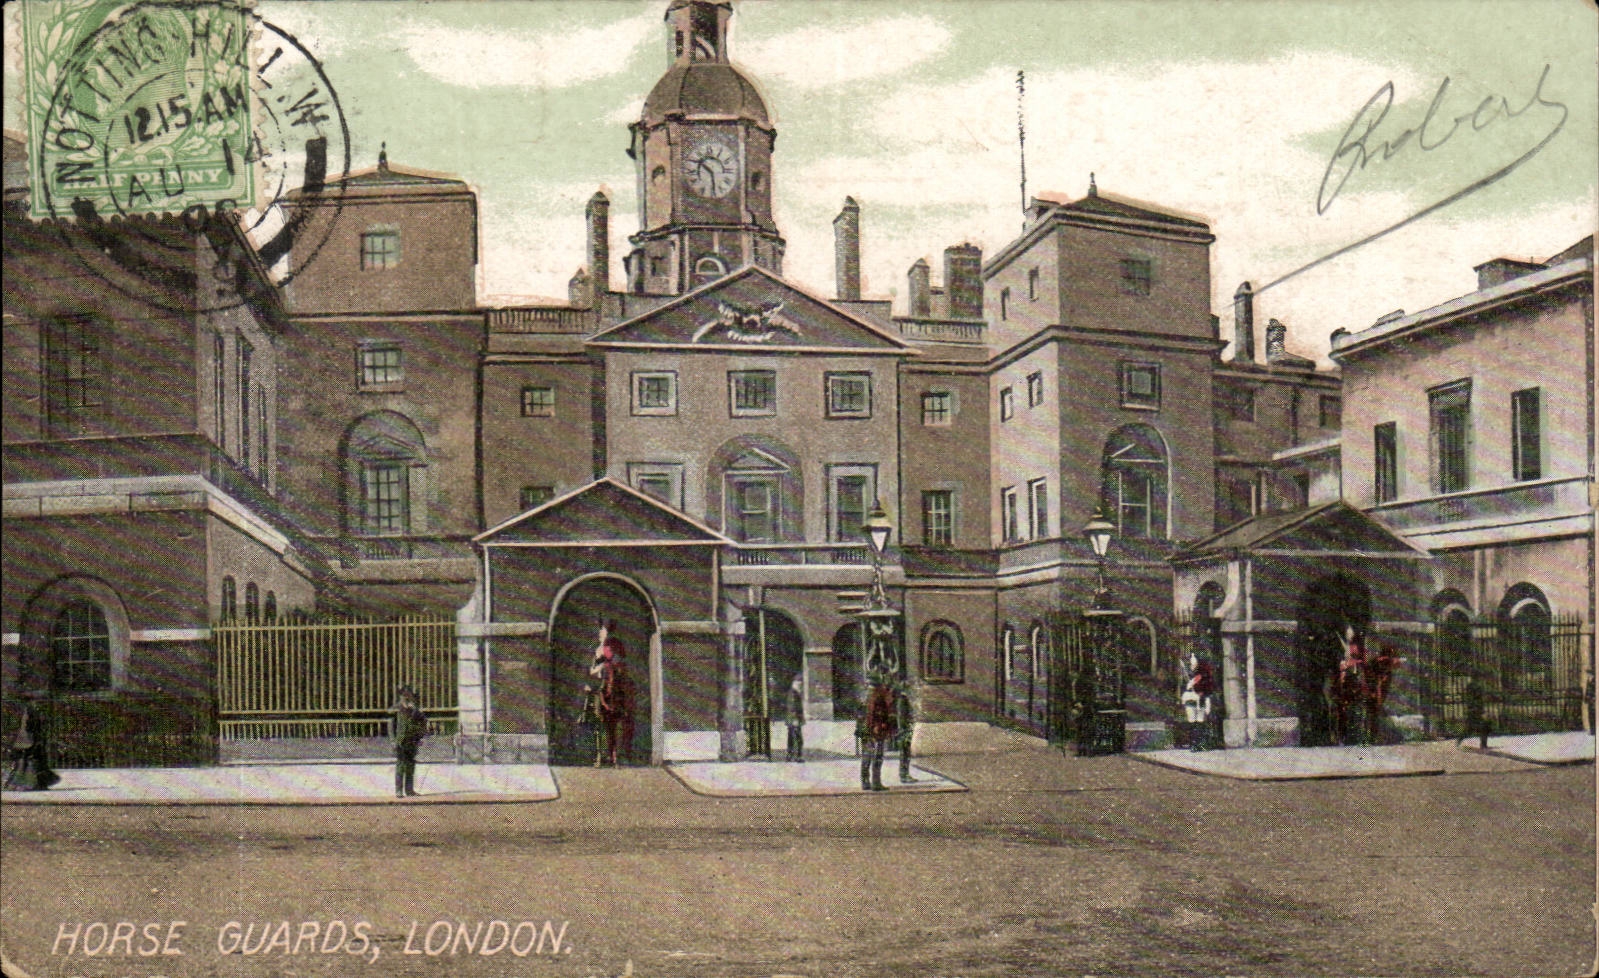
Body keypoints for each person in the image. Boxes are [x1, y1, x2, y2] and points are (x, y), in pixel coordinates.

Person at [590, 621, 635, 766]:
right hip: (601, 688)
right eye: (602, 631)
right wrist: (601, 665)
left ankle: (618, 755)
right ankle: (601, 755)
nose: (601, 634)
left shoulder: (616, 647)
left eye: (603, 631)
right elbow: (592, 670)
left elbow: (621, 665)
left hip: (616, 688)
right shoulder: (598, 650)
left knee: (620, 722)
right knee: (599, 723)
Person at [860, 677, 895, 791]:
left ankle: (865, 782)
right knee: (877, 755)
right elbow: (880, 714)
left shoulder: (864, 696)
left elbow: (860, 713)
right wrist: (881, 726)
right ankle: (876, 782)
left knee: (866, 755)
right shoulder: (878, 697)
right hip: (876, 730)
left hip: (865, 729)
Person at [392, 686, 426, 798]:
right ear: (400, 696)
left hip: (412, 741)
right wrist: (393, 740)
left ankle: (409, 790)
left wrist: (420, 737)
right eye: (404, 695)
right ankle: (398, 790)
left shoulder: (415, 709)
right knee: (401, 765)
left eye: (408, 694)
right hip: (401, 741)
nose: (406, 697)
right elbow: (391, 726)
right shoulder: (396, 709)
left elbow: (423, 723)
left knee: (411, 766)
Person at [1182, 653, 1216, 751]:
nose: (1192, 664)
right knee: (1192, 722)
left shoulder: (1203, 675)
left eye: (1194, 661)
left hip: (1200, 700)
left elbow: (1207, 688)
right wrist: (1188, 686)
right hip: (1190, 700)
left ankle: (1201, 743)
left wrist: (1205, 697)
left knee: (1200, 721)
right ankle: (1194, 743)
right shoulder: (1187, 675)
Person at [1459, 673, 1490, 750]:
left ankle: (1460, 739)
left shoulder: (1469, 686)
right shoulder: (1477, 687)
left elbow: (1469, 699)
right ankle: (1483, 745)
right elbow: (1478, 699)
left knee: (1472, 728)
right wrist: (1481, 709)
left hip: (1472, 709)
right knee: (1483, 727)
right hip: (1475, 710)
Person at [894, 681, 917, 782]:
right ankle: (904, 774)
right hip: (904, 730)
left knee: (906, 752)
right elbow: (902, 716)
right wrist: (904, 730)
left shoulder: (903, 699)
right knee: (905, 752)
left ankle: (905, 773)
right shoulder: (902, 700)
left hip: (904, 729)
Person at [783, 674, 805, 762]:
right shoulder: (793, 693)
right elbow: (793, 707)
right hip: (794, 719)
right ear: (795, 684)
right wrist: (795, 719)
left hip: (792, 719)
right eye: (799, 684)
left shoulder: (793, 692)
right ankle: (797, 756)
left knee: (791, 738)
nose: (801, 686)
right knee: (797, 738)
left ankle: (790, 755)